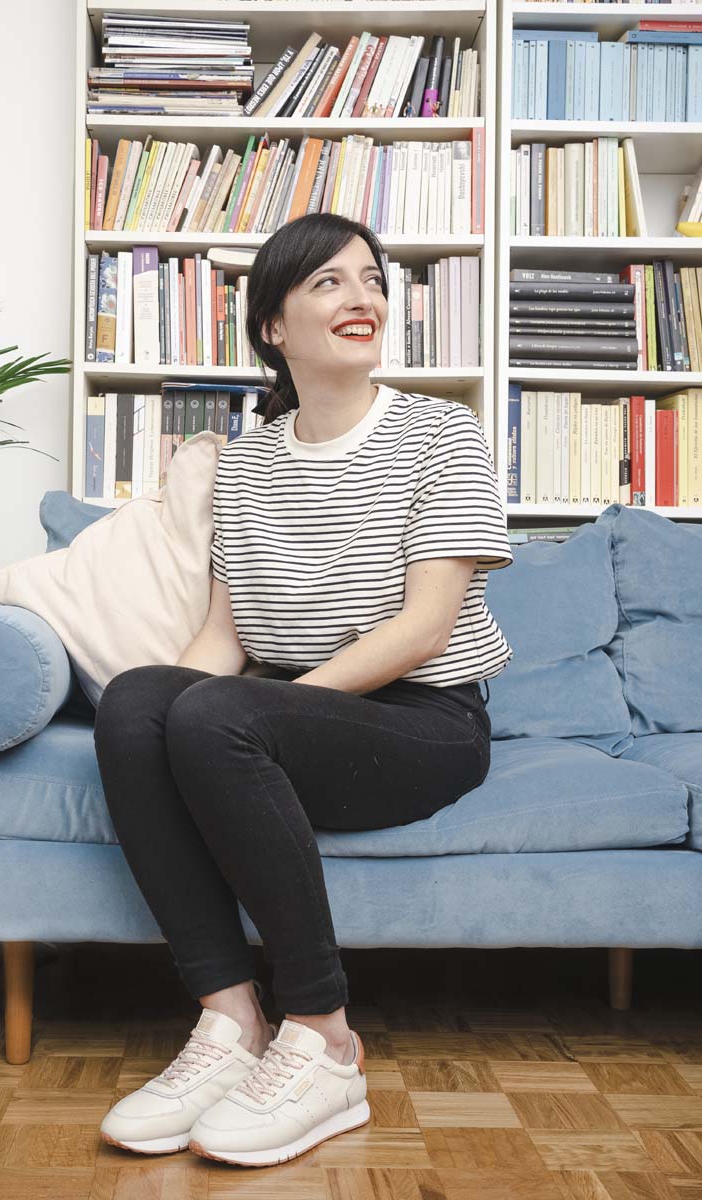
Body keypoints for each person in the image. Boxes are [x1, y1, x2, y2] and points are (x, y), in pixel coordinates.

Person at [94, 213, 514, 1168]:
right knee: (137, 701)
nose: (361, 296)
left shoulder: (443, 432)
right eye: (327, 282)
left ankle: (325, 1041)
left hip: (424, 722)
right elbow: (224, 636)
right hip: (283, 716)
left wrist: (265, 716)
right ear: (274, 327)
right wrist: (156, 720)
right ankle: (229, 1023)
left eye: (371, 279)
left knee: (211, 713)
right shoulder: (244, 461)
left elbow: (425, 629)